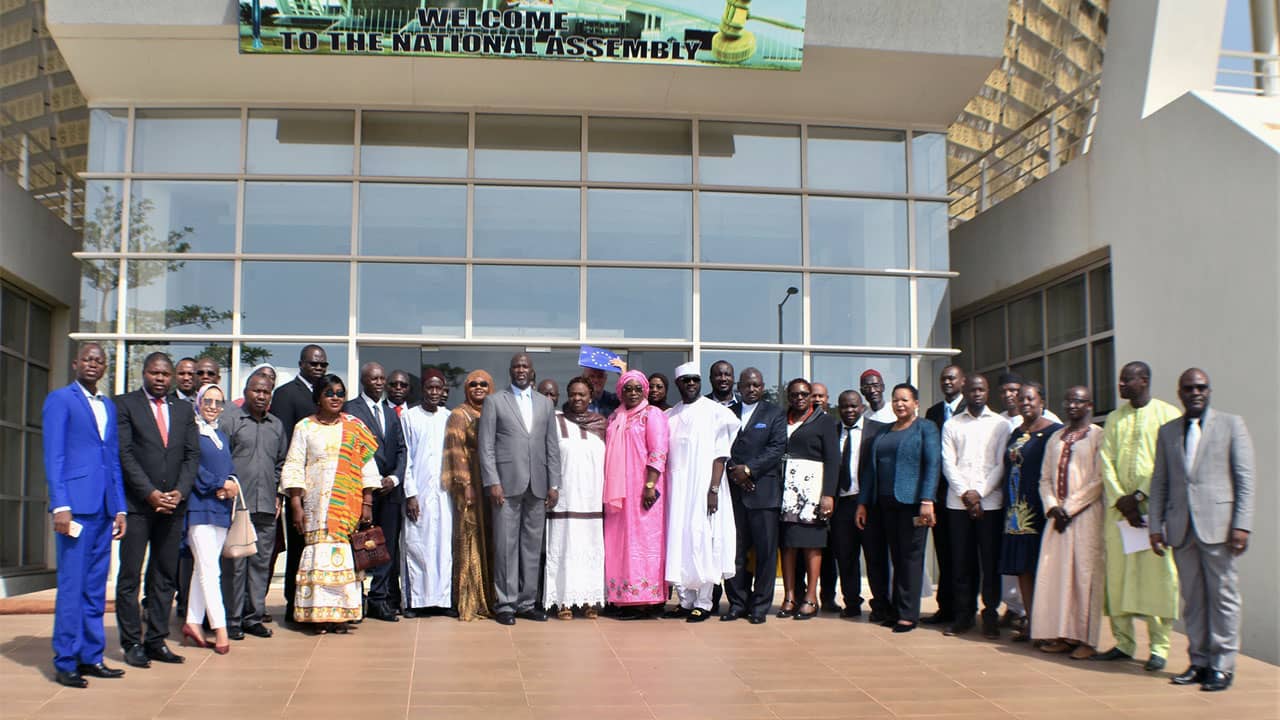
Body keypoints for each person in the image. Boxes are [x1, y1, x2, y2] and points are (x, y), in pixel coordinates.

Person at [1151, 369, 1254, 692]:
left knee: (1223, 597)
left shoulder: (1230, 425)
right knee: (1193, 599)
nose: (1195, 392)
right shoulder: (1168, 432)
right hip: (1181, 529)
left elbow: (1245, 480)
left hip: (1219, 528)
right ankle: (1198, 661)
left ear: (1209, 391)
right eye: (1189, 388)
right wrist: (1156, 526)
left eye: (1201, 387)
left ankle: (1222, 666)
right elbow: (1160, 483)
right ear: (1179, 393)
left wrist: (1242, 524)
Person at [43, 342, 128, 688]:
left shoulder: (107, 404)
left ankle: (92, 656)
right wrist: (60, 504)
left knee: (95, 587)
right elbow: (54, 455)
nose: (93, 364)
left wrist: (120, 507)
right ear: (76, 363)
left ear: (105, 367)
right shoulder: (61, 400)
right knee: (71, 586)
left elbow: (113, 460)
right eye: (88, 359)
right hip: (75, 509)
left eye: (100, 360)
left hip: (105, 508)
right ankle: (65, 660)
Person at [115, 352, 200, 668]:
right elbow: (124, 455)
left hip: (173, 507)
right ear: (144, 373)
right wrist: (150, 493)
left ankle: (156, 640)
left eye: (166, 374)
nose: (161, 379)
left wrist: (180, 491)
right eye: (155, 373)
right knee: (130, 577)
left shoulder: (183, 409)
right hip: (139, 506)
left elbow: (192, 455)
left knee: (164, 575)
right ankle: (131, 642)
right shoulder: (125, 405)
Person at [1095, 361, 1181, 671]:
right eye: (1120, 381)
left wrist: (1140, 497)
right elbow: (1106, 461)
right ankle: (1123, 642)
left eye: (1126, 381)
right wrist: (1122, 499)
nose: (1120, 386)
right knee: (1117, 577)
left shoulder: (1167, 414)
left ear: (1143, 381)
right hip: (1120, 513)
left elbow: (1166, 461)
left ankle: (1159, 647)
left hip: (1152, 513)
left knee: (1157, 579)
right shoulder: (1115, 418)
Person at [281, 374, 381, 633]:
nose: (336, 397)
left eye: (340, 393)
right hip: (314, 505)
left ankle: (341, 615)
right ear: (318, 397)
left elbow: (367, 466)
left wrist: (367, 502)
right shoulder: (304, 427)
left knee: (342, 557)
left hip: (347, 504)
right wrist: (295, 504)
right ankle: (317, 615)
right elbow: (293, 464)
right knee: (318, 557)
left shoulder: (353, 426)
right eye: (329, 393)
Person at [478, 353, 561, 626]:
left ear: (532, 371)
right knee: (505, 545)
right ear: (510, 371)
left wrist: (554, 483)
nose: (521, 370)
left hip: (537, 485)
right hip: (506, 484)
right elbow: (486, 446)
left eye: (525, 366)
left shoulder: (544, 404)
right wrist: (492, 481)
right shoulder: (494, 401)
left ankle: (527, 603)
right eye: (516, 366)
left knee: (531, 546)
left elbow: (552, 446)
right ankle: (505, 604)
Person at [855, 384, 939, 632]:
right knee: (893, 557)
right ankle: (894, 608)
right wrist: (863, 503)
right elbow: (870, 469)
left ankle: (908, 614)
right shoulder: (882, 432)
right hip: (883, 504)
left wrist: (927, 500)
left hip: (912, 504)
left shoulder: (925, 428)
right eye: (896, 400)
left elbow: (932, 464)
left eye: (905, 400)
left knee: (910, 558)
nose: (899, 404)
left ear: (916, 404)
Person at [1032, 386, 1105, 660]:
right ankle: (1061, 634)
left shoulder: (1098, 436)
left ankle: (1085, 638)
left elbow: (1099, 479)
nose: (1072, 405)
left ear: (1089, 405)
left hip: (1085, 516)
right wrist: (1052, 506)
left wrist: (1070, 508)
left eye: (1078, 401)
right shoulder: (1056, 437)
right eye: (1069, 400)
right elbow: (1045, 478)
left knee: (1083, 576)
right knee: (1058, 576)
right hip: (1057, 518)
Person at [662, 363, 738, 623]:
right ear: (678, 384)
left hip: (705, 486)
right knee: (679, 540)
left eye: (695, 379)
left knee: (703, 539)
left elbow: (721, 455)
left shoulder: (715, 412)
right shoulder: (670, 415)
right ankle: (685, 601)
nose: (691, 384)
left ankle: (704, 603)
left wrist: (713, 489)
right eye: (686, 380)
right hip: (677, 488)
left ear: (701, 382)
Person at [219, 369, 286, 640]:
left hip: (267, 506)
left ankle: (253, 617)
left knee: (260, 563)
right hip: (237, 506)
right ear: (246, 392)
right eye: (256, 390)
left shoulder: (276, 425)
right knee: (235, 565)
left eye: (266, 392)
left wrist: (278, 494)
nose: (261, 396)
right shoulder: (230, 420)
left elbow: (281, 463)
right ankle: (232, 619)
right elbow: (220, 458)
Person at [940, 375, 1008, 638]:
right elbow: (948, 463)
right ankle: (963, 616)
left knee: (990, 563)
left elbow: (1001, 464)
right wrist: (965, 494)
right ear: (964, 391)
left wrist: (978, 493)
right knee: (961, 563)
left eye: (981, 389)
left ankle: (989, 615)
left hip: (990, 503)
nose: (976, 393)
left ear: (987, 391)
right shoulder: (952, 424)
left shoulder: (1000, 425)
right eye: (972, 390)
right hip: (957, 504)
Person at [343, 362, 408, 621]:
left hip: (389, 492)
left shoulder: (390, 412)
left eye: (382, 378)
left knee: (386, 547)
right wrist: (367, 481)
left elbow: (402, 450)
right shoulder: (351, 409)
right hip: (362, 493)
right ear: (364, 381)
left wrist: (394, 477)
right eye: (375, 379)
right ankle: (356, 600)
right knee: (360, 547)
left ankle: (380, 600)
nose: (380, 383)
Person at [603, 370, 670, 620]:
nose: (632, 393)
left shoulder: (652, 415)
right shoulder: (615, 417)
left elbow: (659, 451)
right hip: (618, 493)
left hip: (643, 490)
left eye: (637, 388)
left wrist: (650, 485)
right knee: (620, 544)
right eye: (627, 388)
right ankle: (624, 599)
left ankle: (644, 600)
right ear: (620, 391)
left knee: (644, 543)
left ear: (644, 391)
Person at [722, 368, 786, 624]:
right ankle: (737, 603)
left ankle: (760, 606)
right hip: (734, 493)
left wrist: (748, 470)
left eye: (756, 385)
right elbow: (719, 446)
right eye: (747, 385)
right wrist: (733, 471)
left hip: (763, 493)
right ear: (739, 387)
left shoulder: (774, 413)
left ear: (762, 387)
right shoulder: (728, 413)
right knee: (734, 551)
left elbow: (777, 448)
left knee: (765, 553)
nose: (751, 389)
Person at [270, 344, 329, 624]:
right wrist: (288, 492)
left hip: (325, 489)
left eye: (322, 365)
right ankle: (294, 603)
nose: (318, 369)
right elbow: (283, 445)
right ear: (301, 364)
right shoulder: (285, 394)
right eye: (313, 364)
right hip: (299, 488)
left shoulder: (326, 394)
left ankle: (319, 602)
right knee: (298, 548)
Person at [999, 382, 1061, 642]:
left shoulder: (1054, 432)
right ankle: (1032, 621)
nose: (1025, 403)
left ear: (1042, 402)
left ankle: (1051, 624)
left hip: (1042, 508)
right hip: (1017, 510)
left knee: (1043, 567)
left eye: (1030, 399)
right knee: (1023, 567)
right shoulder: (1015, 432)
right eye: (1021, 399)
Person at [544, 377, 608, 619]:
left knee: (591, 547)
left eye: (582, 395)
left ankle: (590, 600)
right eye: (573, 394)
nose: (577, 399)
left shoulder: (601, 423)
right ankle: (563, 601)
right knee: (563, 547)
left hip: (593, 498)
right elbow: (547, 456)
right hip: (564, 497)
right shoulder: (555, 421)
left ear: (591, 397)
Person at [776, 378, 839, 621]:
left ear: (811, 395)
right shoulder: (781, 419)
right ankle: (790, 596)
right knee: (788, 544)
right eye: (794, 394)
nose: (800, 398)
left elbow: (833, 460)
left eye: (804, 394)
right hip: (786, 493)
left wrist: (828, 495)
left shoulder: (825, 422)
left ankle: (811, 597)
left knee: (812, 545)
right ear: (788, 397)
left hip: (813, 495)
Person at [181, 384, 237, 655]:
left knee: (204, 569)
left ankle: (193, 621)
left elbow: (230, 468)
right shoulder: (191, 431)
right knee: (210, 572)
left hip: (221, 508)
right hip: (200, 507)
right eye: (208, 401)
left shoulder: (220, 435)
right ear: (199, 402)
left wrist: (233, 484)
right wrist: (219, 483)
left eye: (218, 402)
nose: (213, 407)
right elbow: (192, 468)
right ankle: (220, 628)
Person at [400, 370, 454, 618]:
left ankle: (442, 601)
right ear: (422, 389)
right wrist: (411, 494)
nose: (434, 393)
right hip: (419, 493)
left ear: (444, 390)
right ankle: (416, 602)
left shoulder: (450, 417)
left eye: (438, 388)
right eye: (430, 388)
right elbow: (406, 458)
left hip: (445, 495)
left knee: (443, 546)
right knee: (416, 545)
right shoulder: (409, 417)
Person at [444, 369, 495, 621]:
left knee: (492, 542)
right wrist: (466, 485)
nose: (478, 388)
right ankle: (471, 601)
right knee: (471, 541)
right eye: (473, 384)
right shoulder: (458, 414)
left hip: (492, 483)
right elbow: (455, 453)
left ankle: (492, 597)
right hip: (472, 484)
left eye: (483, 384)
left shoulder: (493, 413)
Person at [828, 389, 883, 619]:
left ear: (861, 407)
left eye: (853, 406)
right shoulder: (833, 431)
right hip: (842, 505)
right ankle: (851, 603)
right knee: (846, 557)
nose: (849, 411)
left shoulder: (877, 430)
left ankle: (880, 605)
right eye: (844, 407)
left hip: (868, 504)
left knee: (874, 558)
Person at [922, 364, 966, 626]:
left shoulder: (969, 409)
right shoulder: (934, 412)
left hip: (964, 495)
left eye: (952, 378)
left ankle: (963, 611)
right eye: (943, 379)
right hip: (939, 495)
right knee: (944, 554)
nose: (947, 382)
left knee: (963, 556)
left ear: (963, 380)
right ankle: (945, 609)